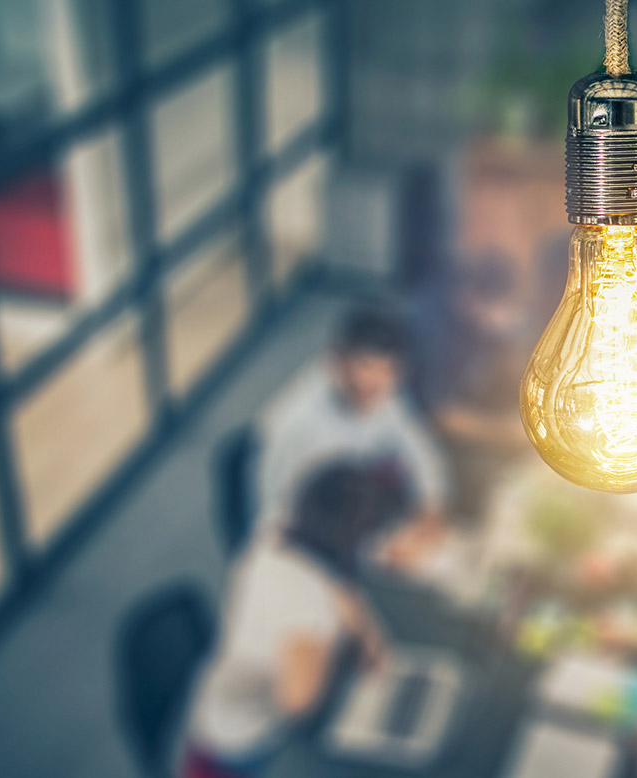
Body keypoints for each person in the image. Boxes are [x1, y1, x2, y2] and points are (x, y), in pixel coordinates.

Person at [181, 462, 412, 778]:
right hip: (235, 746)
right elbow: (298, 704)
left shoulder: (279, 526)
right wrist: (331, 643)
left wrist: (370, 639)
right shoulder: (309, 612)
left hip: (219, 701)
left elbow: (340, 589)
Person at [257, 304, 448, 537]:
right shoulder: (295, 427)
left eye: (389, 370)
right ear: (337, 359)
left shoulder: (380, 393)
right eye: (365, 365)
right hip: (305, 538)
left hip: (351, 513)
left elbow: (415, 445)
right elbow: (276, 520)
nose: (376, 381)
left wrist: (430, 506)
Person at [409, 255, 536, 519]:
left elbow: (507, 350)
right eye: (500, 306)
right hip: (422, 425)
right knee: (488, 475)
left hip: (469, 394)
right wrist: (509, 435)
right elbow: (444, 418)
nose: (508, 315)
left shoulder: (481, 315)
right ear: (468, 297)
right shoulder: (432, 335)